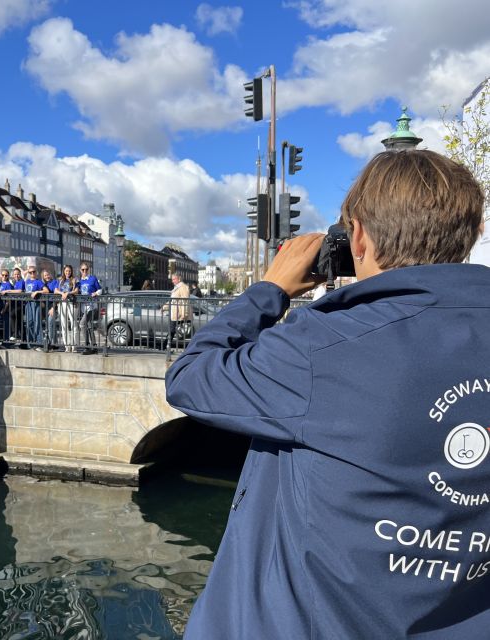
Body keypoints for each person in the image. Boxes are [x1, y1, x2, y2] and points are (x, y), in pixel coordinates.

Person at [165, 150, 490, 639]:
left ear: (357, 236)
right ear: (470, 233)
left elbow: (191, 377)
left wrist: (269, 288)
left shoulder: (322, 347)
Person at [77, 263, 102, 354]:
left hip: (91, 306)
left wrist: (96, 293)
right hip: (84, 307)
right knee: (89, 326)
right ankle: (94, 346)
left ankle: (87, 346)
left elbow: (100, 289)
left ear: (88, 270)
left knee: (82, 324)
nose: (85, 271)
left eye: (86, 269)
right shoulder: (79, 282)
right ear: (80, 270)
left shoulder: (92, 278)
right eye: (83, 270)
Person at [162, 273, 190, 348]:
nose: (172, 281)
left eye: (174, 279)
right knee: (171, 329)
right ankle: (165, 346)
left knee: (172, 329)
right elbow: (172, 300)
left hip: (178, 312)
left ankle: (165, 346)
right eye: (172, 279)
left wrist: (185, 313)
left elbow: (185, 301)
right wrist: (164, 307)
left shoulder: (183, 287)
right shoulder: (176, 287)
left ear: (179, 279)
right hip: (174, 311)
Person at [56, 265, 78, 352]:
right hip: (62, 304)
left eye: (69, 271)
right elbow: (55, 290)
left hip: (72, 303)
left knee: (73, 324)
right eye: (66, 271)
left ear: (71, 271)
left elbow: (76, 290)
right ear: (64, 272)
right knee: (64, 325)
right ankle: (67, 346)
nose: (67, 272)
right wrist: (62, 293)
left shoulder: (74, 280)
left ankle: (74, 346)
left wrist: (68, 293)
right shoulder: (61, 280)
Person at [23, 266, 46, 349]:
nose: (32, 274)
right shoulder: (27, 281)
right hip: (28, 303)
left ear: (36, 272)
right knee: (29, 323)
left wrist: (37, 291)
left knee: (37, 323)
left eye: (33, 272)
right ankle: (31, 343)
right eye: (30, 272)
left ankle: (39, 343)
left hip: (36, 304)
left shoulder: (38, 281)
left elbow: (46, 290)